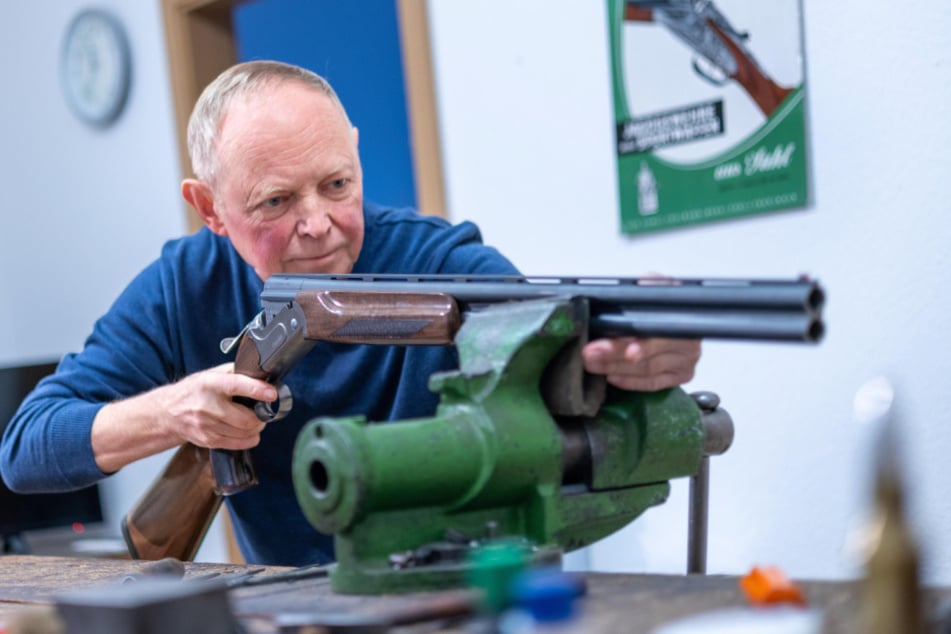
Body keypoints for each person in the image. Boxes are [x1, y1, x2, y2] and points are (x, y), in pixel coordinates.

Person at [0, 61, 700, 566]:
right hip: (292, 607)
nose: (319, 225)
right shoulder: (181, 286)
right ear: (209, 208)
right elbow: (25, 450)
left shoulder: (437, 261)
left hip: (466, 597)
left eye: (337, 184)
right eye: (275, 202)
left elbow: (542, 346)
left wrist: (628, 358)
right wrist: (176, 412)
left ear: (357, 157)